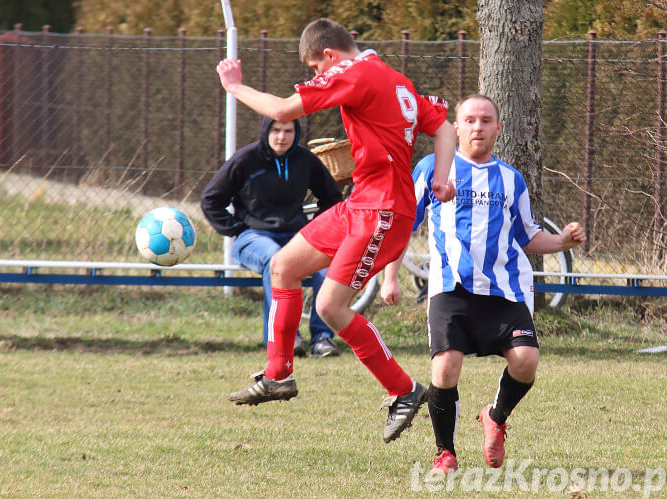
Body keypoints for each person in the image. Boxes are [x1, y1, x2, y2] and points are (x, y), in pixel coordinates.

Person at [217, 18, 457, 443]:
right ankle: (278, 376)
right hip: (360, 202)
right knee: (284, 266)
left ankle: (403, 390)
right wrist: (440, 177)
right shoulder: (393, 78)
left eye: (314, 69)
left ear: (329, 56)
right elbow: (443, 127)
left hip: (383, 210)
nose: (316, 79)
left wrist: (234, 87)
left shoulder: (354, 72)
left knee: (330, 306)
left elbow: (281, 110)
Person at [381, 95, 586, 472]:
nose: (478, 127)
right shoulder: (432, 168)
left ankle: (495, 415)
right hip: (450, 287)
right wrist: (390, 277)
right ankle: (446, 453)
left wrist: (561, 243)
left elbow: (527, 235)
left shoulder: (511, 179)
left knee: (526, 361)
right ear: (456, 127)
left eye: (486, 121)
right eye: (470, 120)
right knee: (445, 368)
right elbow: (402, 225)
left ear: (498, 128)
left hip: (503, 289)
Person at [200, 117, 343, 357]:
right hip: (253, 238)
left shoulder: (306, 160)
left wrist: (317, 228)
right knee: (277, 261)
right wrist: (237, 229)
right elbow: (210, 200)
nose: (281, 137)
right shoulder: (245, 159)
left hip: (298, 236)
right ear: (266, 131)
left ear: (296, 133)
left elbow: (332, 199)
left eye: (288, 131)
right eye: (276, 130)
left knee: (327, 267)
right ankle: (284, 338)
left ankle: (322, 339)